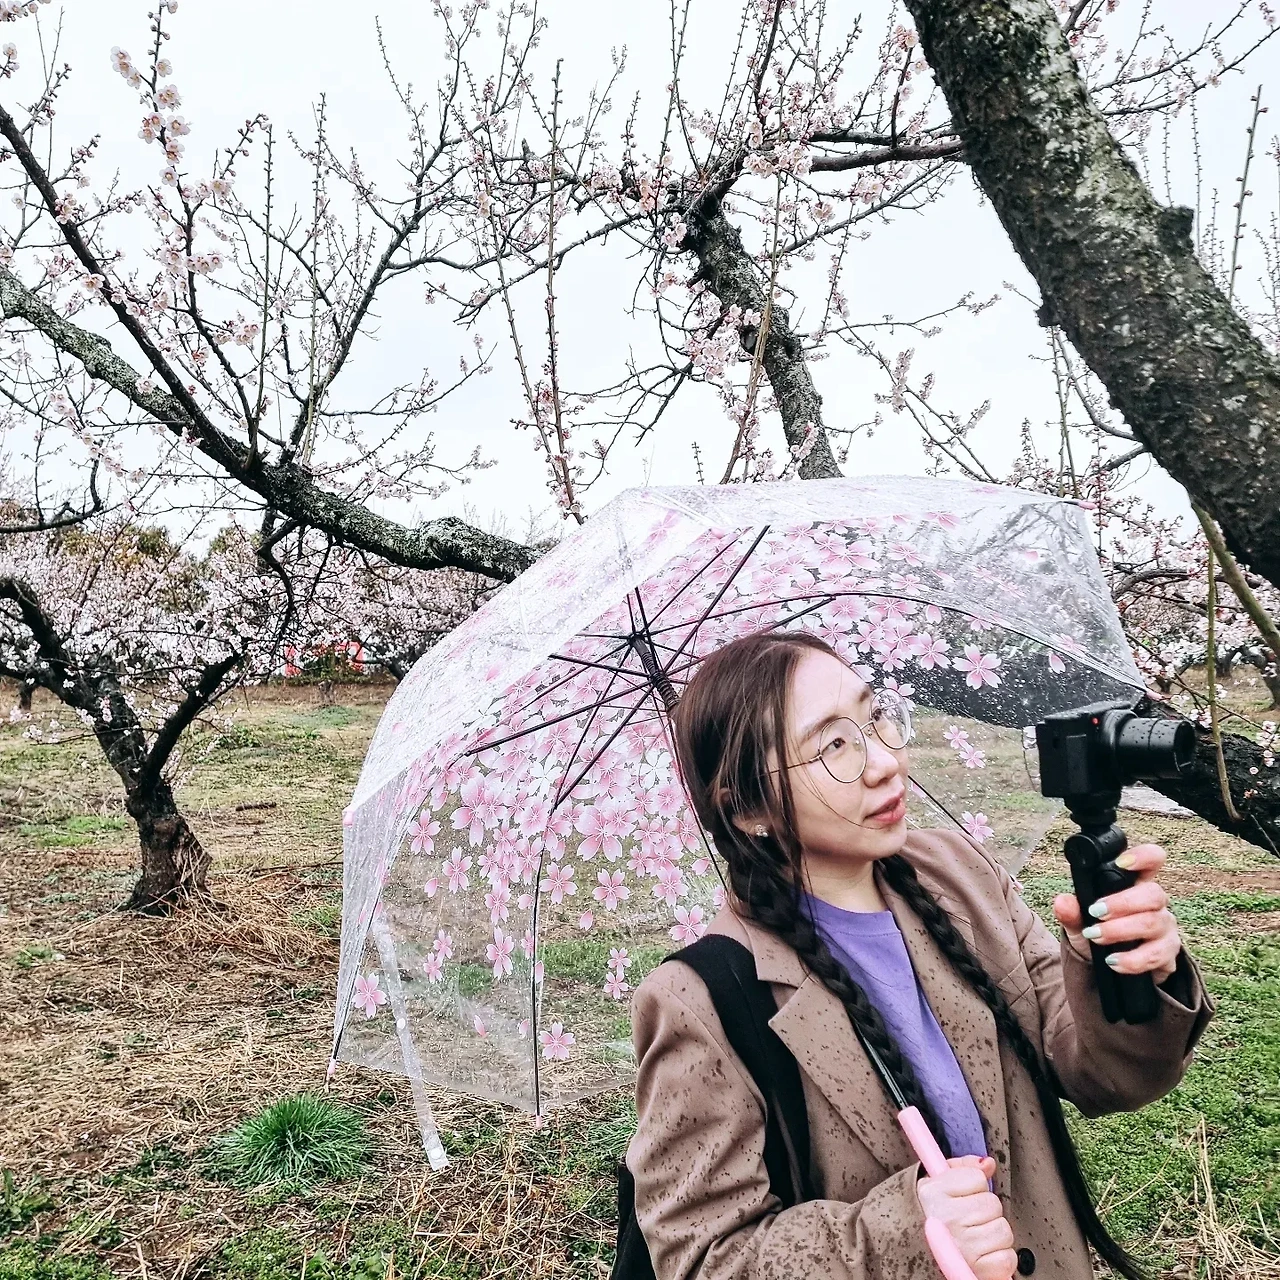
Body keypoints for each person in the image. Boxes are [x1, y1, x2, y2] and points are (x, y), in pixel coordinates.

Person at [626, 630, 1213, 1280]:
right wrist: (906, 1234)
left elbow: (1104, 1074)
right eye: (833, 746)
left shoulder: (960, 875)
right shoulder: (703, 1000)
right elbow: (699, 1258)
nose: (884, 761)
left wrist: (1127, 975)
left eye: (875, 716)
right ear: (747, 809)